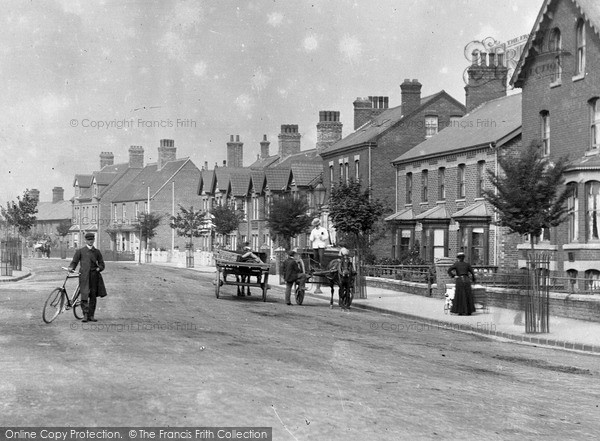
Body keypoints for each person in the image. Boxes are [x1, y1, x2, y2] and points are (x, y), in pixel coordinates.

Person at [68, 232, 106, 322]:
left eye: (92, 240)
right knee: (84, 295)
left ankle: (91, 315)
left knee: (93, 296)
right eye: (89, 240)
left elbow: (102, 264)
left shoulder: (97, 252)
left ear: (94, 240)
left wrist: (99, 269)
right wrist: (71, 267)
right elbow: (74, 262)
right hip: (84, 276)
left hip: (94, 276)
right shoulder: (80, 251)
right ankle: (85, 315)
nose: (90, 241)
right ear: (85, 240)